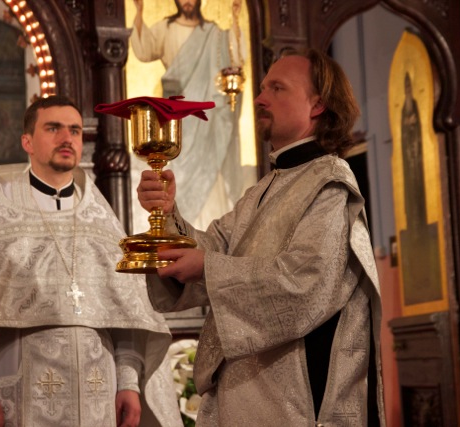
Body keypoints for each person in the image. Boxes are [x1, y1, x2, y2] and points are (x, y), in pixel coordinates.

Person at [137, 49, 386, 426]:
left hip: (292, 401)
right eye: (263, 87)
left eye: (277, 88)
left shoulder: (330, 186)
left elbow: (305, 284)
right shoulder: (263, 190)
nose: (258, 98)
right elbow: (214, 248)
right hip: (243, 393)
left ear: (317, 105)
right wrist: (168, 216)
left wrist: (208, 268)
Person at [0, 95, 182, 427]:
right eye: (53, 128)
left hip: (97, 391)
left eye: (75, 130)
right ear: (27, 141)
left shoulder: (101, 222)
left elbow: (126, 316)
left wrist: (128, 382)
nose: (67, 138)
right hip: (23, 390)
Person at [130, 0, 247, 230]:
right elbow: (144, 51)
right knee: (178, 173)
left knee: (210, 172)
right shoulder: (166, 28)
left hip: (205, 120)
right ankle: (179, 227)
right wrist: (139, 13)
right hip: (177, 116)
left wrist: (234, 19)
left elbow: (236, 58)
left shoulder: (213, 33)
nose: (187, 2)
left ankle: (211, 229)